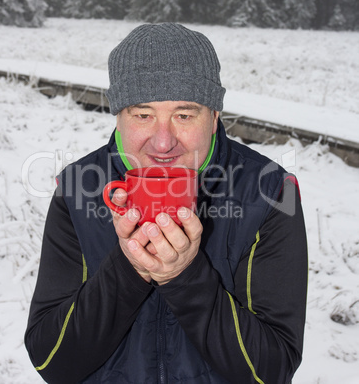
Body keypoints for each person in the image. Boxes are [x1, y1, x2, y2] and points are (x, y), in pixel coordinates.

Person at [25, 23, 308, 384]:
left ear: (214, 116)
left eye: (183, 115)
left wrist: (183, 276)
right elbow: (52, 362)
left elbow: (272, 370)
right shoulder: (78, 189)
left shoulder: (270, 192)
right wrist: (129, 270)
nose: (162, 143)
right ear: (118, 117)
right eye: (143, 115)